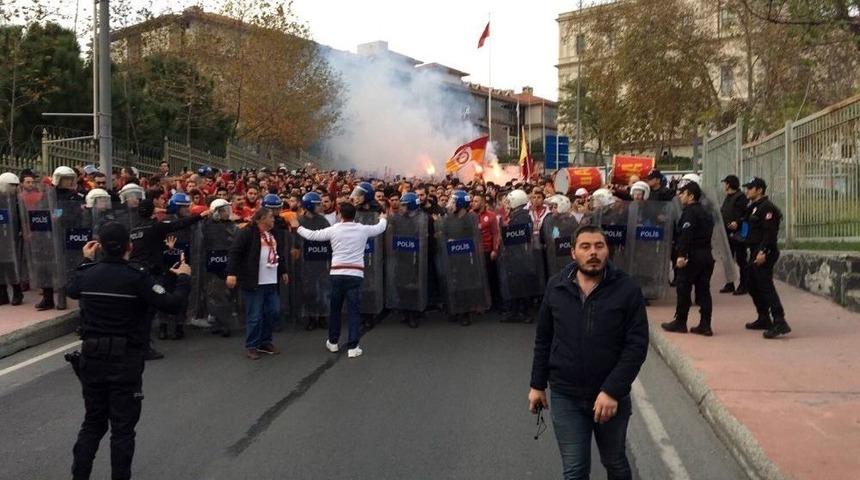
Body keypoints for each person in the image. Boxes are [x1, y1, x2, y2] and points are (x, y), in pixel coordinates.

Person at [66, 222, 192, 480]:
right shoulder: (137, 276)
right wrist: (184, 278)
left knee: (92, 423)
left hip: (92, 359)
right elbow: (171, 303)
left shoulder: (87, 273)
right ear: (129, 246)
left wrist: (85, 259)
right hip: (125, 361)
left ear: (99, 246)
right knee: (122, 430)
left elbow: (72, 288)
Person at [529, 225, 648, 480]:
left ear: (607, 250)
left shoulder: (627, 289)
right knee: (575, 471)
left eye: (599, 246)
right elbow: (544, 338)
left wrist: (612, 390)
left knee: (615, 462)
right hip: (566, 395)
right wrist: (537, 385)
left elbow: (636, 346)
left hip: (610, 398)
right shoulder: (556, 287)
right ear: (573, 253)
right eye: (585, 247)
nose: (592, 252)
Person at [290, 202, 387, 358]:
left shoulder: (334, 229)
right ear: (354, 215)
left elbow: (312, 235)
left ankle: (333, 342)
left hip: (337, 274)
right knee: (354, 311)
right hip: (355, 275)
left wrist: (297, 227)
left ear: (340, 215)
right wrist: (383, 218)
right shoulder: (362, 229)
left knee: (335, 309)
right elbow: (380, 228)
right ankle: (353, 347)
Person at [226, 207, 289, 360]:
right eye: (270, 217)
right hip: (254, 281)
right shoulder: (247, 233)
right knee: (254, 315)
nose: (273, 219)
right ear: (261, 219)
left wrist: (283, 271)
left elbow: (278, 254)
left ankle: (265, 342)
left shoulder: (273, 234)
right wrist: (232, 273)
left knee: (273, 311)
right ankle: (252, 345)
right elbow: (235, 252)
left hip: (271, 280)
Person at [739, 177, 791, 339]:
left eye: (750, 188)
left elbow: (770, 234)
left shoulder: (767, 208)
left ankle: (779, 320)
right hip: (754, 250)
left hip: (764, 252)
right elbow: (748, 229)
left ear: (759, 190)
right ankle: (763, 317)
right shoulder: (754, 208)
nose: (747, 190)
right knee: (752, 284)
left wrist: (763, 252)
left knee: (765, 285)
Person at [661, 182, 715, 336]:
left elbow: (686, 235)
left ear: (691, 196)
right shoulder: (706, 212)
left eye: (683, 193)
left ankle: (680, 322)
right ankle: (705, 324)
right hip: (706, 255)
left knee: (683, 288)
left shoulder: (690, 212)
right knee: (704, 290)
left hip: (692, 256)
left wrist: (681, 255)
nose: (680, 195)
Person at [720, 174, 749, 295]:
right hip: (727, 232)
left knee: (741, 259)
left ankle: (744, 284)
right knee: (728, 258)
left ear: (728, 184)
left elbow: (744, 213)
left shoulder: (740, 197)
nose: (724, 186)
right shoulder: (728, 197)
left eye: (725, 183)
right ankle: (730, 283)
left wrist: (737, 222)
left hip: (738, 233)